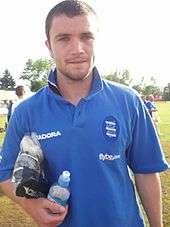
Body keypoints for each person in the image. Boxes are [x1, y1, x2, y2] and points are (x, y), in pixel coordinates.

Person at [0, 1, 169, 227]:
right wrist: (33, 206)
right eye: (64, 38)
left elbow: (146, 172)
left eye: (86, 37)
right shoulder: (26, 112)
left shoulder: (128, 100)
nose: (78, 48)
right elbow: (5, 173)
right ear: (49, 46)